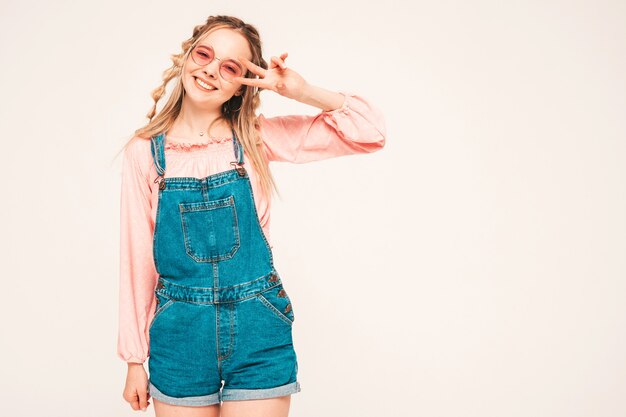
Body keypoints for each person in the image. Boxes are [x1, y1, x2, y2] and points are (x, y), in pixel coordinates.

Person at [117, 14, 386, 417]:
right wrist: (135, 359)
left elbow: (369, 132)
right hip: (180, 333)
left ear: (243, 84)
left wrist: (301, 90)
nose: (210, 70)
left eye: (230, 67)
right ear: (187, 57)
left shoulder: (254, 138)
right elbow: (137, 259)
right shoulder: (145, 153)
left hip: (257, 325)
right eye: (204, 54)